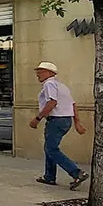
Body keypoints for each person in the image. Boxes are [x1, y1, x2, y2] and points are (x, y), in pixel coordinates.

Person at [29, 62, 89, 190]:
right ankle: (49, 176)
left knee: (51, 149)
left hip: (56, 120)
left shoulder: (49, 84)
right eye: (37, 71)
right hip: (65, 120)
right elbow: (73, 104)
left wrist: (37, 118)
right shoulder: (62, 86)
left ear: (50, 73)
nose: (37, 74)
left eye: (41, 71)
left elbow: (52, 102)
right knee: (49, 147)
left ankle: (76, 173)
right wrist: (77, 122)